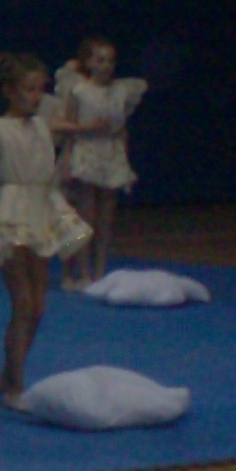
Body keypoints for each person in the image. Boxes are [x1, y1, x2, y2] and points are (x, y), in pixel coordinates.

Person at [0, 54, 93, 407]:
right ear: (9, 91)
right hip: (10, 212)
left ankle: (9, 374)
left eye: (40, 89)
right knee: (22, 302)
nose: (36, 96)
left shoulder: (42, 125)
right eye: (29, 89)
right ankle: (16, 386)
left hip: (41, 208)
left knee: (37, 307)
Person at [60, 37, 147, 288]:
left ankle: (99, 272)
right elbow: (69, 128)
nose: (106, 65)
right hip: (87, 152)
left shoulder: (121, 91)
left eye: (110, 60)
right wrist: (67, 159)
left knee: (106, 221)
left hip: (111, 153)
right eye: (100, 60)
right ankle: (84, 273)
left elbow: (122, 129)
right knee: (86, 218)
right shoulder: (79, 91)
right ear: (88, 62)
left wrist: (123, 157)